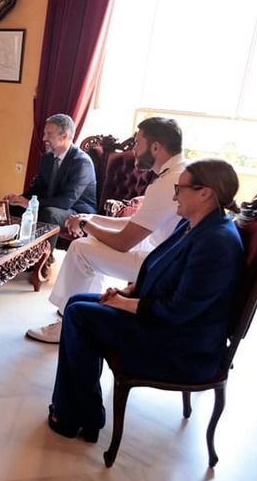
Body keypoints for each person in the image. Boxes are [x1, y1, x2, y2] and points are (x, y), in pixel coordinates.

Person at [48, 159, 244, 442]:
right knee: (76, 303)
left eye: (180, 189)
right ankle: (83, 412)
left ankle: (74, 416)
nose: (175, 196)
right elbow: (158, 266)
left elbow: (178, 310)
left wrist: (124, 304)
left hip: (182, 343)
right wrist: (129, 292)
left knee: (80, 317)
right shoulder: (193, 225)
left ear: (205, 193)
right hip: (165, 320)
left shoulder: (216, 242)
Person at [26, 117, 187, 344]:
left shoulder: (167, 183)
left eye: (137, 143)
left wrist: (85, 225)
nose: (133, 150)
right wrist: (91, 219)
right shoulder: (179, 172)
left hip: (160, 262)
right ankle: (89, 312)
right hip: (165, 249)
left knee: (80, 248)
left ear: (155, 147)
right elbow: (135, 223)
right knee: (93, 241)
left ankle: (66, 324)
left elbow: (123, 242)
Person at [4, 114, 97, 228]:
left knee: (49, 214)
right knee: (11, 207)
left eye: (49, 134)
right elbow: (37, 189)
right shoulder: (47, 158)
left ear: (64, 136)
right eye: (44, 133)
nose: (44, 138)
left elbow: (66, 201)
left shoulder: (82, 163)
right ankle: (14, 238)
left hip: (77, 211)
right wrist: (18, 199)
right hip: (51, 204)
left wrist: (30, 204)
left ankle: (40, 240)